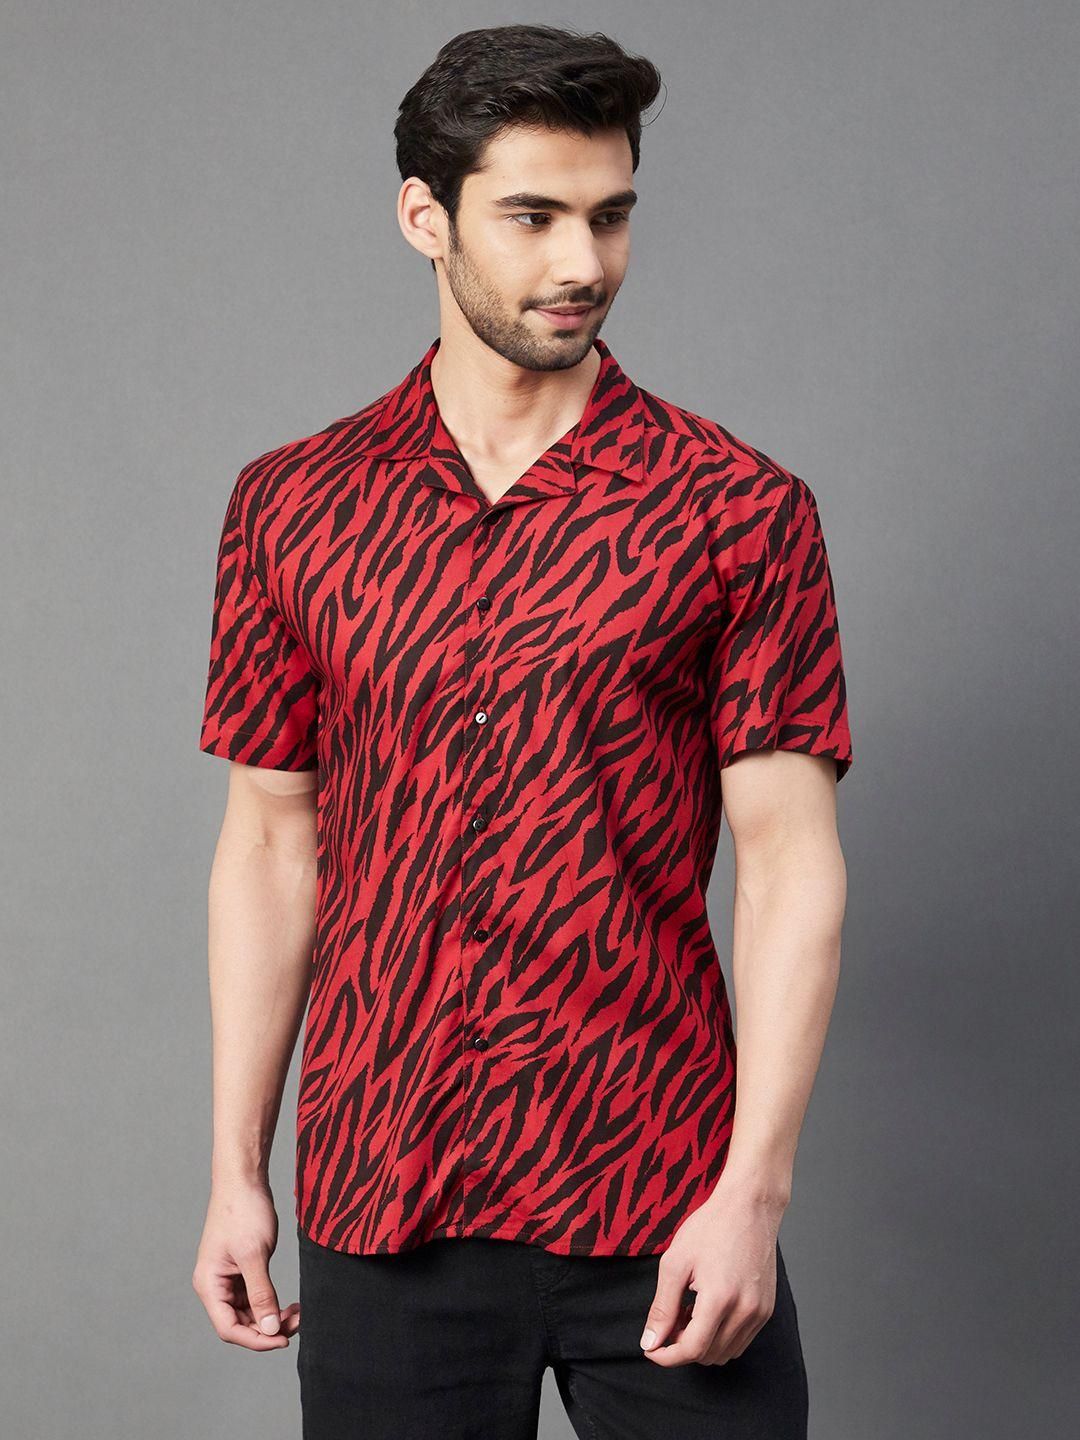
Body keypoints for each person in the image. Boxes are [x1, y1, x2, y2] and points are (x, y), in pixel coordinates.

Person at [191, 22, 853, 1440]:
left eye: (611, 216)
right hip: (388, 1189)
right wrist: (236, 1171)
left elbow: (792, 865)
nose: (583, 264)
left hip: (663, 1192)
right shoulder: (292, 506)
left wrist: (752, 1192)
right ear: (424, 217)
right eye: (533, 217)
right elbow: (269, 846)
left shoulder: (739, 510)